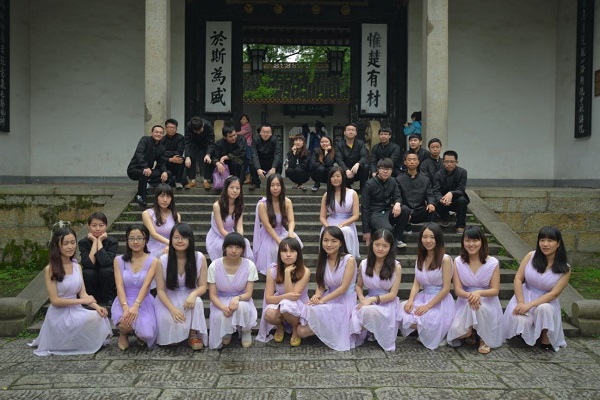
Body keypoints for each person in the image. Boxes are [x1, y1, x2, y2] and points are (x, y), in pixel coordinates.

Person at [29, 228, 111, 356]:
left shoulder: (77, 267)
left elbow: (83, 294)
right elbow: (55, 301)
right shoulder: (50, 269)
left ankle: (74, 341)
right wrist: (82, 301)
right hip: (59, 314)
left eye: (73, 243)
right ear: (57, 246)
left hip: (76, 310)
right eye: (65, 243)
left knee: (98, 316)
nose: (70, 247)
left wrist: (97, 307)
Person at [503, 226, 571, 351]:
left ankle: (546, 340)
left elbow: (554, 294)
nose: (545, 244)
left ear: (558, 244)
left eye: (550, 240)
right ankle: (523, 336)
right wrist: (521, 302)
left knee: (544, 309)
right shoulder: (531, 256)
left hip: (546, 300)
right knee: (520, 319)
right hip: (525, 295)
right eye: (542, 240)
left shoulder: (565, 269)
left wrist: (530, 305)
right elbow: (518, 279)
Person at [297, 227, 357, 351]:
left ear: (341, 242)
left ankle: (333, 330)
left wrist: (323, 300)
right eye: (325, 240)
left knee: (304, 330)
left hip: (344, 300)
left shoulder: (349, 260)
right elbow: (320, 285)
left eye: (334, 241)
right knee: (301, 329)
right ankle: (329, 329)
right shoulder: (324, 259)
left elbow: (344, 288)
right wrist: (317, 296)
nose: (329, 244)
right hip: (329, 297)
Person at [447, 226, 503, 354]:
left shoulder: (493, 263)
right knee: (457, 333)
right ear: (463, 242)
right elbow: (458, 290)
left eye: (475, 240)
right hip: (465, 300)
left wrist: (479, 293)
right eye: (467, 240)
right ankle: (471, 331)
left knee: (479, 307)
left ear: (482, 241)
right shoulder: (458, 261)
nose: (471, 244)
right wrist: (471, 296)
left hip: (487, 300)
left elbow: (495, 290)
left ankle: (484, 338)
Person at [398, 223, 454, 350]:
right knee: (402, 311)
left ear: (438, 239)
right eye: (425, 237)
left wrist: (428, 306)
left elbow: (446, 288)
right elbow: (416, 284)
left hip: (440, 301)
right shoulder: (420, 258)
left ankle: (440, 333)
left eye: (432, 237)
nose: (428, 241)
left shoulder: (445, 259)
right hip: (423, 296)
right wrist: (410, 301)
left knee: (428, 317)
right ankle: (427, 332)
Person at [154, 223, 208, 350]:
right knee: (172, 342)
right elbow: (160, 290)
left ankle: (192, 334)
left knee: (198, 301)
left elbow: (203, 286)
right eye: (176, 237)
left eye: (183, 237)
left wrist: (193, 294)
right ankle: (179, 333)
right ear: (171, 239)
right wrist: (172, 309)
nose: (180, 241)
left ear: (190, 240)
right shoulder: (163, 260)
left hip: (189, 294)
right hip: (169, 297)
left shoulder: (199, 258)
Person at [351, 229, 402, 351]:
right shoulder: (364, 264)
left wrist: (372, 300)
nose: (380, 249)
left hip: (387, 303)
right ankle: (373, 331)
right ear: (372, 244)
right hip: (368, 300)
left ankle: (376, 331)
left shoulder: (396, 266)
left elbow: (393, 294)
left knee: (368, 311)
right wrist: (362, 299)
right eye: (377, 244)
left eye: (385, 246)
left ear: (390, 247)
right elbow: (358, 286)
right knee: (358, 314)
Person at [111, 224, 158, 350]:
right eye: (131, 238)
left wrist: (136, 306)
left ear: (146, 240)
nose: (135, 242)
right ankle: (123, 333)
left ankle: (139, 334)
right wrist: (125, 307)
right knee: (125, 322)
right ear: (127, 240)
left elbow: (146, 284)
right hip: (124, 299)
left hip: (143, 301)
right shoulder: (119, 260)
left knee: (147, 334)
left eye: (139, 238)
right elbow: (119, 285)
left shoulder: (153, 261)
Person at [208, 232, 259, 349]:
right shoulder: (214, 266)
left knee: (242, 307)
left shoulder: (249, 265)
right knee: (221, 314)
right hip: (221, 299)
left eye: (238, 247)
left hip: (242, 298)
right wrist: (223, 307)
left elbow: (249, 293)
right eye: (230, 246)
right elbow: (212, 295)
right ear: (224, 248)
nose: (234, 250)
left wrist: (237, 298)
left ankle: (246, 330)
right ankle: (227, 330)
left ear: (243, 250)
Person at [256, 238, 311, 346]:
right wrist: (284, 297)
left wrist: (287, 273)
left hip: (299, 304)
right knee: (269, 314)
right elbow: (269, 298)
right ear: (279, 253)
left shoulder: (305, 271)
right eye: (284, 251)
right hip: (281, 302)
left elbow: (293, 297)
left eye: (292, 251)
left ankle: (295, 329)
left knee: (287, 306)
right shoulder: (273, 270)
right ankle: (280, 327)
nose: (288, 255)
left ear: (298, 254)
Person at [253, 174, 303, 275]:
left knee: (294, 243)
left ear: (282, 186)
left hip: (282, 231)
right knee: (275, 249)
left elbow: (291, 221)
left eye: (278, 185)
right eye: (272, 185)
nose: (275, 188)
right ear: (268, 187)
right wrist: (279, 241)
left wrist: (290, 232)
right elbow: (267, 226)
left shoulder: (287, 202)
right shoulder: (262, 204)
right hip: (268, 234)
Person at [205, 176, 253, 262]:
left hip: (231, 234)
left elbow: (239, 226)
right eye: (232, 187)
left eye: (237, 188)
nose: (235, 191)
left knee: (245, 242)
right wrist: (233, 241)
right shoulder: (217, 206)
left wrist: (239, 239)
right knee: (223, 246)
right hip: (217, 235)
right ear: (226, 188)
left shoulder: (239, 205)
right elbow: (221, 229)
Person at [360, 158, 405, 248]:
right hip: (375, 213)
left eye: (388, 169)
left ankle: (397, 238)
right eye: (383, 169)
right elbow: (364, 208)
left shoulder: (393, 181)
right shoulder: (369, 184)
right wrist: (366, 231)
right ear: (378, 169)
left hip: (387, 211)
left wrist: (397, 203)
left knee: (405, 210)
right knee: (388, 229)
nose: (385, 171)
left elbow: (398, 196)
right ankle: (380, 233)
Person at [319, 166, 360, 259]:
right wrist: (328, 227)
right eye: (333, 176)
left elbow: (356, 215)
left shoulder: (352, 193)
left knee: (345, 231)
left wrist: (342, 225)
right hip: (330, 223)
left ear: (343, 177)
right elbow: (322, 216)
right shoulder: (326, 195)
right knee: (327, 234)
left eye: (338, 176)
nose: (335, 179)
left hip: (347, 223)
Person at [78, 212, 118, 306]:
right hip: (91, 279)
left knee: (106, 270)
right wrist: (94, 241)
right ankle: (90, 298)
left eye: (101, 225)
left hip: (107, 278)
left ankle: (108, 298)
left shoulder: (112, 242)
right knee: (88, 272)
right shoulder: (83, 243)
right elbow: (89, 264)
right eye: (94, 225)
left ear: (106, 226)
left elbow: (105, 262)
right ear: (88, 227)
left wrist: (99, 241)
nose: (98, 228)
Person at [127, 125, 170, 207]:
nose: (158, 134)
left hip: (148, 170)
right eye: (156, 132)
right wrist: (145, 166)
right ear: (152, 133)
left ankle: (147, 185)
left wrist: (164, 171)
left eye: (161, 133)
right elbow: (139, 153)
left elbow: (161, 163)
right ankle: (140, 196)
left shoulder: (161, 148)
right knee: (145, 173)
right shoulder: (145, 140)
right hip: (134, 169)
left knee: (167, 174)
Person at [395, 153, 436, 235]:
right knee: (403, 209)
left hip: (419, 210)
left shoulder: (425, 179)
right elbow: (398, 196)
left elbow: (429, 194)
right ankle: (405, 228)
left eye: (414, 159)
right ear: (405, 162)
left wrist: (431, 203)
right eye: (409, 160)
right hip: (405, 211)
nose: (412, 162)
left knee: (432, 209)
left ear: (418, 162)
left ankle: (429, 231)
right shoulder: (399, 179)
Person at [433, 150, 470, 234]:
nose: (449, 164)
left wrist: (451, 193)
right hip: (443, 200)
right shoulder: (438, 174)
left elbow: (461, 189)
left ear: (456, 162)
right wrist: (441, 199)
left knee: (462, 201)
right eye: (446, 162)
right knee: (435, 200)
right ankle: (445, 217)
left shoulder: (462, 172)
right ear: (443, 162)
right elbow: (436, 190)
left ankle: (460, 225)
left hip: (457, 199)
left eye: (452, 162)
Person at [142, 183, 181, 260]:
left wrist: (170, 246)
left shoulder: (176, 215)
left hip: (172, 247)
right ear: (157, 197)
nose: (165, 200)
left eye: (168, 196)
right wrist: (171, 243)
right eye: (162, 196)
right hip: (153, 248)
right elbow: (153, 234)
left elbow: (177, 234)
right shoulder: (147, 214)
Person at [184, 116, 215, 190]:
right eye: (196, 132)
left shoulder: (208, 125)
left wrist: (208, 154)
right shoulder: (189, 125)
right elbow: (187, 141)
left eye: (200, 131)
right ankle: (192, 180)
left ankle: (206, 180)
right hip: (194, 142)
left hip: (206, 142)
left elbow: (211, 142)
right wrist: (187, 156)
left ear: (203, 125)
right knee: (191, 156)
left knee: (206, 158)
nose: (198, 133)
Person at [335, 123, 368, 191]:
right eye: (348, 130)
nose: (350, 132)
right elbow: (339, 159)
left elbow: (364, 156)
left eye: (353, 130)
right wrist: (346, 169)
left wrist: (358, 164)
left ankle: (363, 190)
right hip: (346, 170)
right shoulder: (339, 145)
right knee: (339, 170)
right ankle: (348, 190)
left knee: (365, 167)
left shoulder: (360, 143)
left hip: (357, 170)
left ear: (356, 133)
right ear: (344, 132)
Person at [249, 123, 282, 191]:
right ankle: (255, 182)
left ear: (271, 133)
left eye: (268, 132)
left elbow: (277, 154)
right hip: (260, 161)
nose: (265, 134)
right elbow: (254, 154)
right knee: (251, 163)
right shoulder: (255, 139)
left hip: (271, 161)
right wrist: (258, 168)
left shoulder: (275, 140)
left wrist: (273, 167)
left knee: (279, 162)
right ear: (260, 132)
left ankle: (277, 183)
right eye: (263, 132)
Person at [161, 118, 186, 190]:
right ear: (165, 128)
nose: (172, 129)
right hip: (166, 161)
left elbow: (179, 152)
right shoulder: (162, 139)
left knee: (181, 159)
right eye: (170, 127)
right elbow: (160, 154)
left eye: (174, 128)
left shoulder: (180, 138)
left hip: (177, 162)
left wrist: (166, 152)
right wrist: (171, 159)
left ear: (176, 129)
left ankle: (178, 182)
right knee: (161, 159)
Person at [236, 114, 253, 184]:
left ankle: (248, 178)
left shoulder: (247, 127)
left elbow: (240, 134)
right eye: (241, 119)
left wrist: (232, 133)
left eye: (244, 119)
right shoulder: (243, 127)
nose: (242, 120)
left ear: (247, 120)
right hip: (244, 146)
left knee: (247, 161)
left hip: (247, 145)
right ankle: (247, 177)